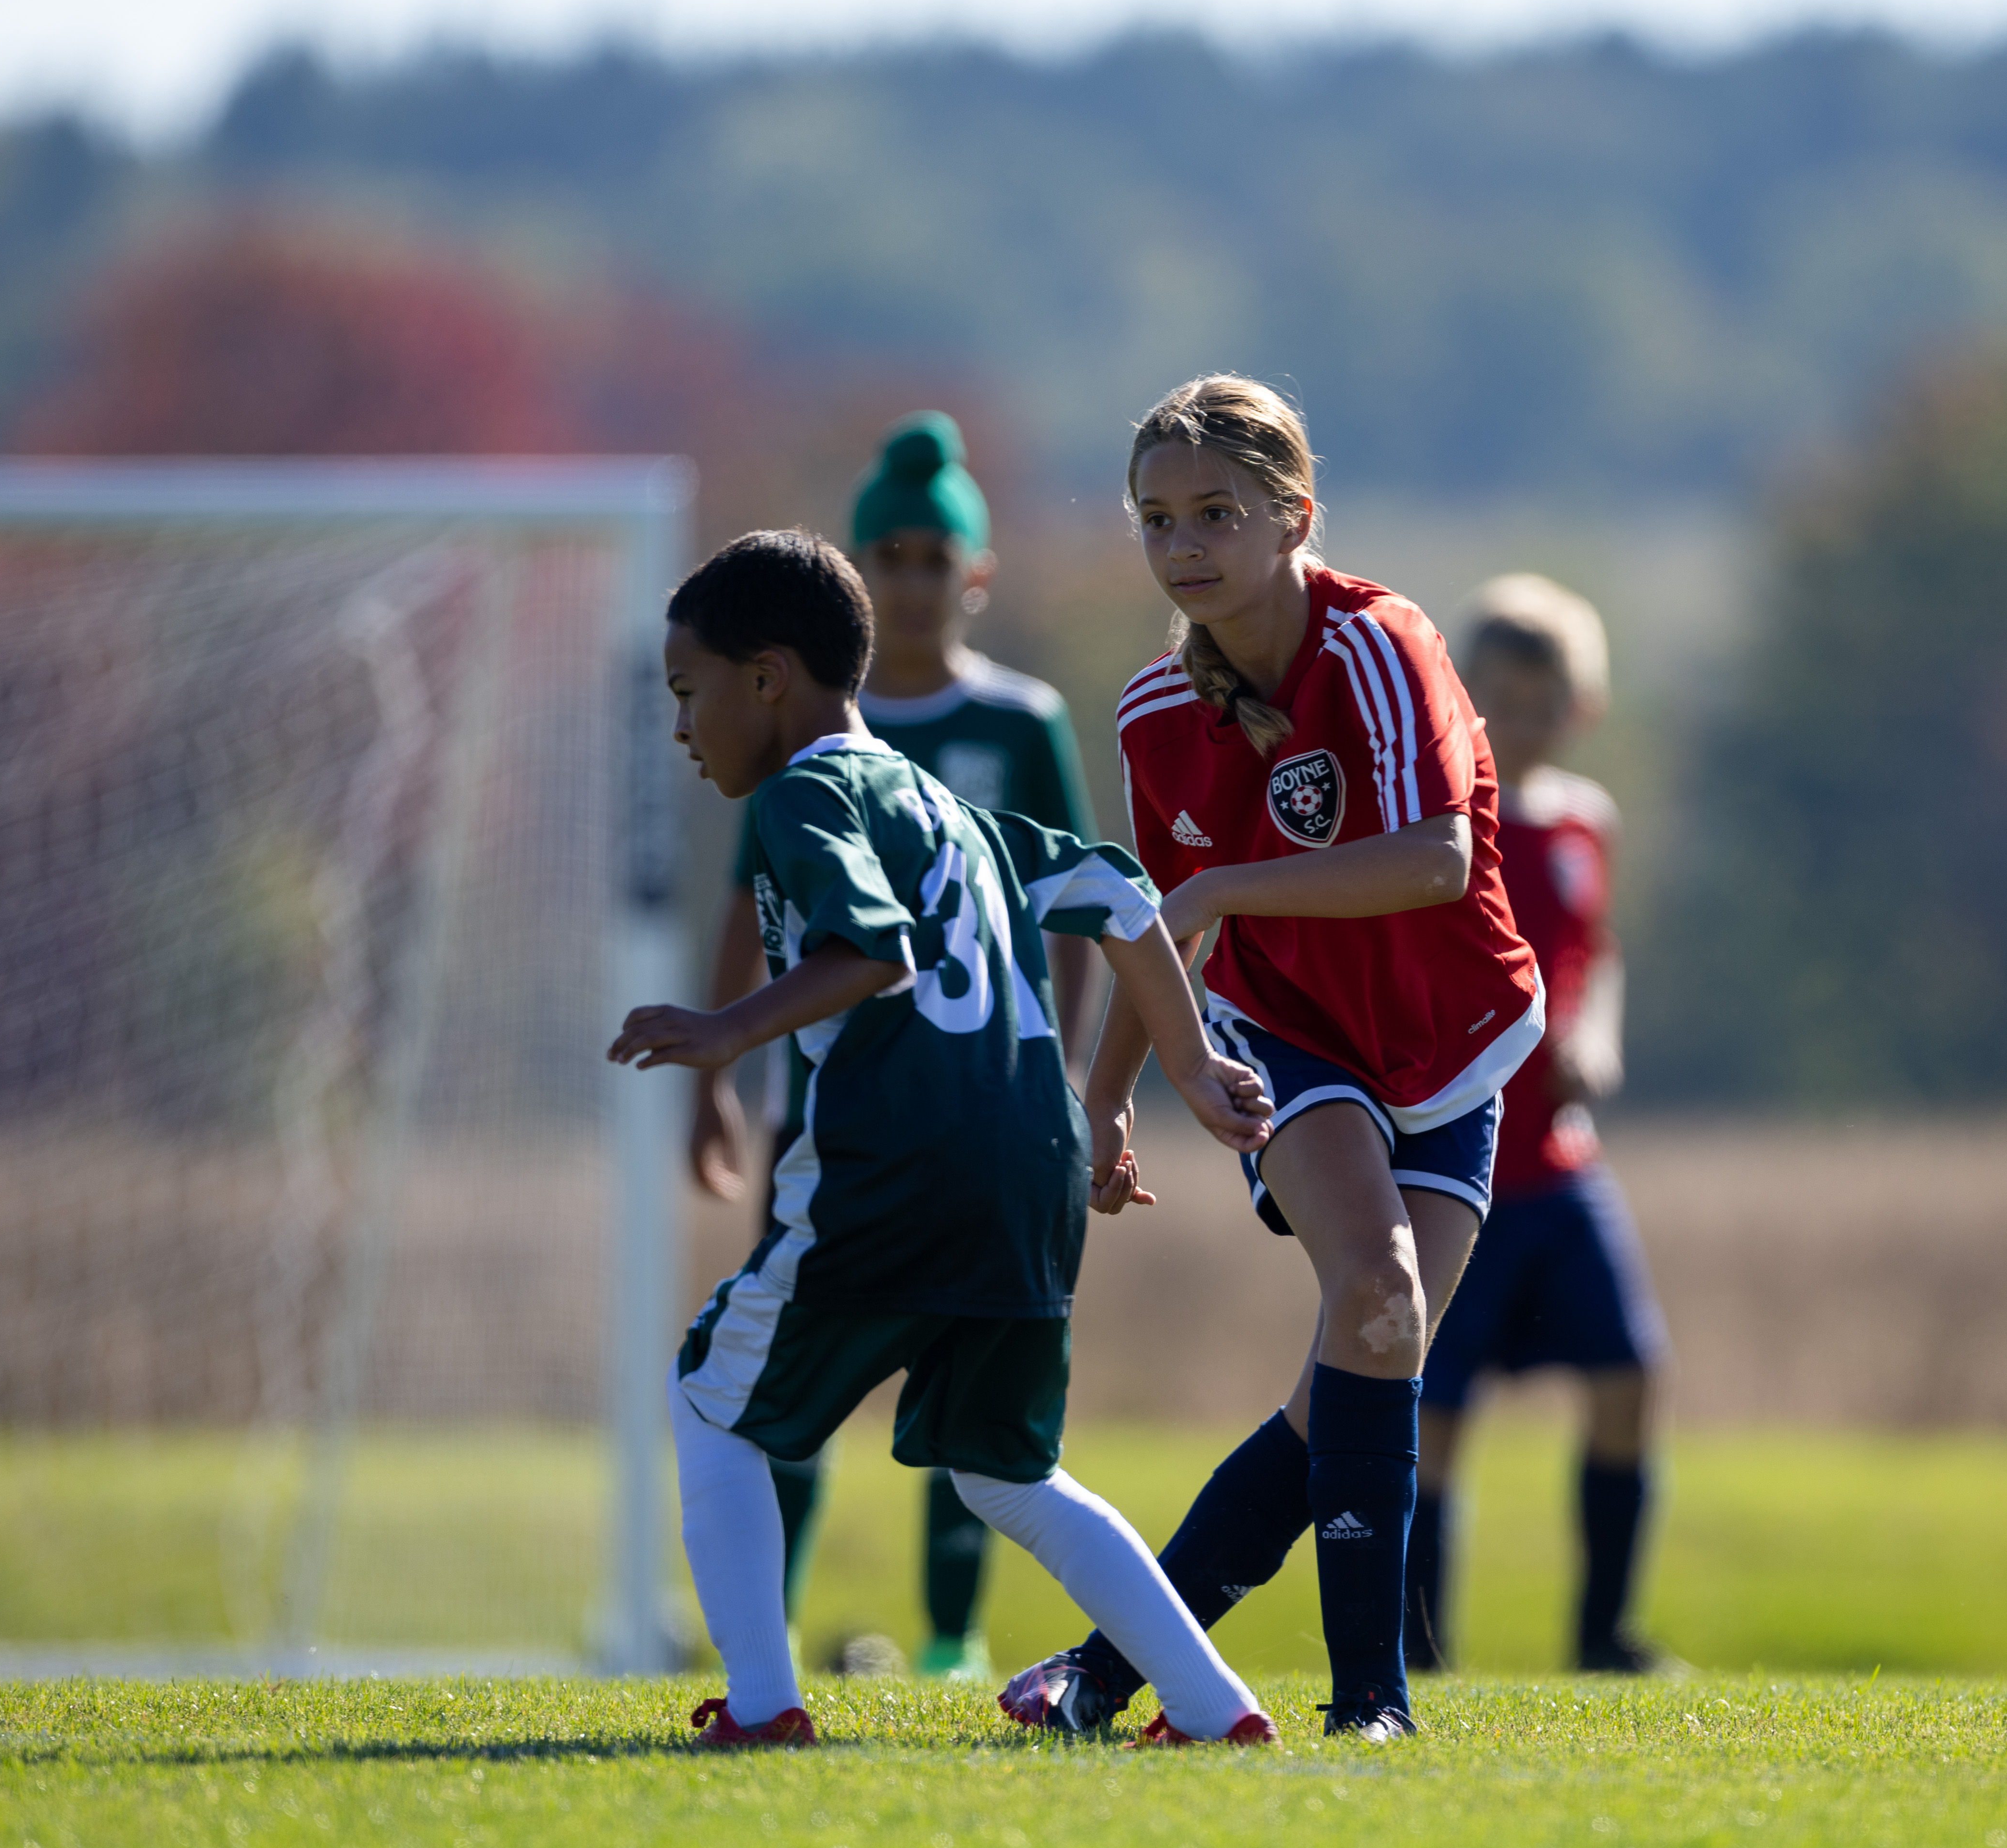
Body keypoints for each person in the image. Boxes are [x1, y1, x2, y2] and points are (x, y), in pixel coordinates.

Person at [613, 528, 1279, 1749]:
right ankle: (1213, 1705)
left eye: (688, 691)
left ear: (767, 677)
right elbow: (1124, 897)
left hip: (896, 1166)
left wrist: (726, 1029)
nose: (682, 726)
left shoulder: (805, 794)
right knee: (1008, 1470)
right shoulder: (952, 813)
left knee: (710, 1400)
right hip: (1032, 1173)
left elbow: (872, 947)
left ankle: (762, 1708)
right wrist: (1178, 1070)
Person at [998, 375, 1543, 1743]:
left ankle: (1102, 1674)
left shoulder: (1380, 644)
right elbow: (1157, 925)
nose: (1182, 544)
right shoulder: (1151, 712)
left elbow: (1437, 861)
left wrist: (1224, 886)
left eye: (1216, 513)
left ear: (1297, 515)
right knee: (1377, 1285)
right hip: (1287, 1030)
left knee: (1362, 1362)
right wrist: (1106, 1098)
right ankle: (1373, 1707)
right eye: (1156, 518)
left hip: (1454, 1038)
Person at [686, 412, 1099, 1683]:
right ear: (861, 572)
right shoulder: (798, 727)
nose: (916, 579)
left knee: (965, 1381)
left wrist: (1069, 1076)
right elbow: (749, 906)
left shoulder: (1021, 722)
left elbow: (1084, 902)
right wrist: (715, 1077)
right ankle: (766, 1631)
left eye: (937, 556)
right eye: (894, 556)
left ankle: (949, 1638)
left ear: (976, 572)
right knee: (785, 1375)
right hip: (828, 1111)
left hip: (975, 1105)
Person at [1406, 574, 1670, 1674]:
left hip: (1561, 1166)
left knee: (1630, 1377)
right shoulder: (1436, 821)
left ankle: (1603, 1637)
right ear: (1463, 697)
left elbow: (1595, 955)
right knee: (1434, 1418)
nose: (1519, 721)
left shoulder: (1586, 822)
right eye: (1499, 698)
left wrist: (1594, 1039)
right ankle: (1419, 1649)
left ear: (1582, 706)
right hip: (1458, 1165)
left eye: (1543, 701)